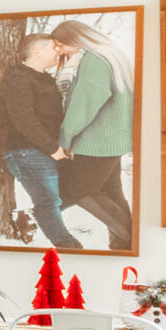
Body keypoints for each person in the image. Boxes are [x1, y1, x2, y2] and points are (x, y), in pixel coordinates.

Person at [51, 18, 135, 249]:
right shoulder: (113, 55)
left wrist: (65, 138)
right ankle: (123, 245)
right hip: (112, 139)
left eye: (61, 45)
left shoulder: (94, 60)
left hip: (96, 142)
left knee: (75, 190)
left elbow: (85, 104)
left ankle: (130, 240)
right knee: (111, 192)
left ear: (75, 39)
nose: (60, 51)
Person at [0, 32, 80, 248]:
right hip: (26, 151)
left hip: (42, 149)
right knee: (47, 201)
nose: (58, 52)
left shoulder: (44, 78)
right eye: (54, 48)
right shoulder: (18, 78)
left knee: (73, 190)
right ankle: (68, 247)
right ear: (37, 51)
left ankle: (30, 220)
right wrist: (52, 148)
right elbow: (23, 119)